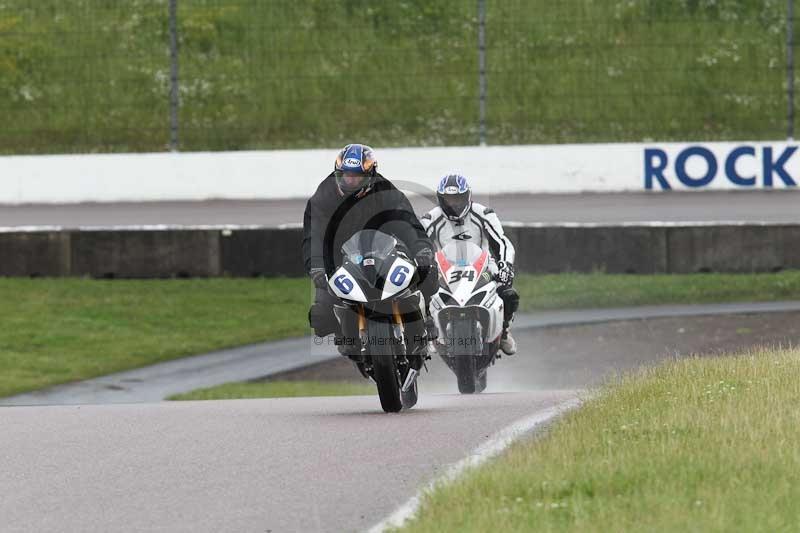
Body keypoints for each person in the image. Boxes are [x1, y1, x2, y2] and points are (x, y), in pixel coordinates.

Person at [302, 143, 438, 357]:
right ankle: (346, 337)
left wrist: (421, 249)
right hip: (339, 255)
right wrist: (317, 266)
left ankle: (426, 316)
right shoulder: (323, 197)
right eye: (345, 175)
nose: (350, 180)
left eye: (356, 176)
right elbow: (314, 235)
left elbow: (405, 221)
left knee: (428, 269)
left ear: (371, 174)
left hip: (384, 248)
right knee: (320, 316)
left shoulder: (385, 190)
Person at [420, 173, 519, 355]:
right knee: (420, 291)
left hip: (484, 267)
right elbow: (417, 243)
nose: (454, 204)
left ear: (467, 196)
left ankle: (504, 331)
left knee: (508, 292)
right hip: (445, 269)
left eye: (457, 198)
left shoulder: (484, 213)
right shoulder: (429, 219)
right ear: (440, 199)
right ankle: (427, 333)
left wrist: (506, 265)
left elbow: (503, 242)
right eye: (448, 199)